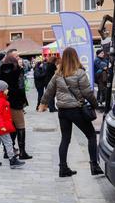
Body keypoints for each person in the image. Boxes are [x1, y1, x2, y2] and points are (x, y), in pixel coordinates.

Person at [39, 47, 104, 177]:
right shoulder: (80, 73)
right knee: (91, 135)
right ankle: (94, 166)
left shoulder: (58, 74)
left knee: (65, 139)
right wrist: (95, 105)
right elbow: (87, 93)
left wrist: (43, 103)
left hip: (62, 111)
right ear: (76, 57)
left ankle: (63, 168)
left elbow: (49, 91)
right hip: (76, 110)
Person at [0, 49, 32, 159]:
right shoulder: (17, 70)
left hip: (4, 102)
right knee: (20, 126)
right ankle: (22, 152)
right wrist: (23, 101)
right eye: (17, 57)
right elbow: (21, 88)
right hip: (16, 102)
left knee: (9, 127)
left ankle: (8, 151)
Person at [0, 78, 25, 169]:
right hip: (1, 126)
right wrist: (2, 126)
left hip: (0, 126)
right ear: (1, 90)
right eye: (6, 89)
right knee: (8, 142)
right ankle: (12, 160)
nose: (8, 90)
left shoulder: (0, 99)